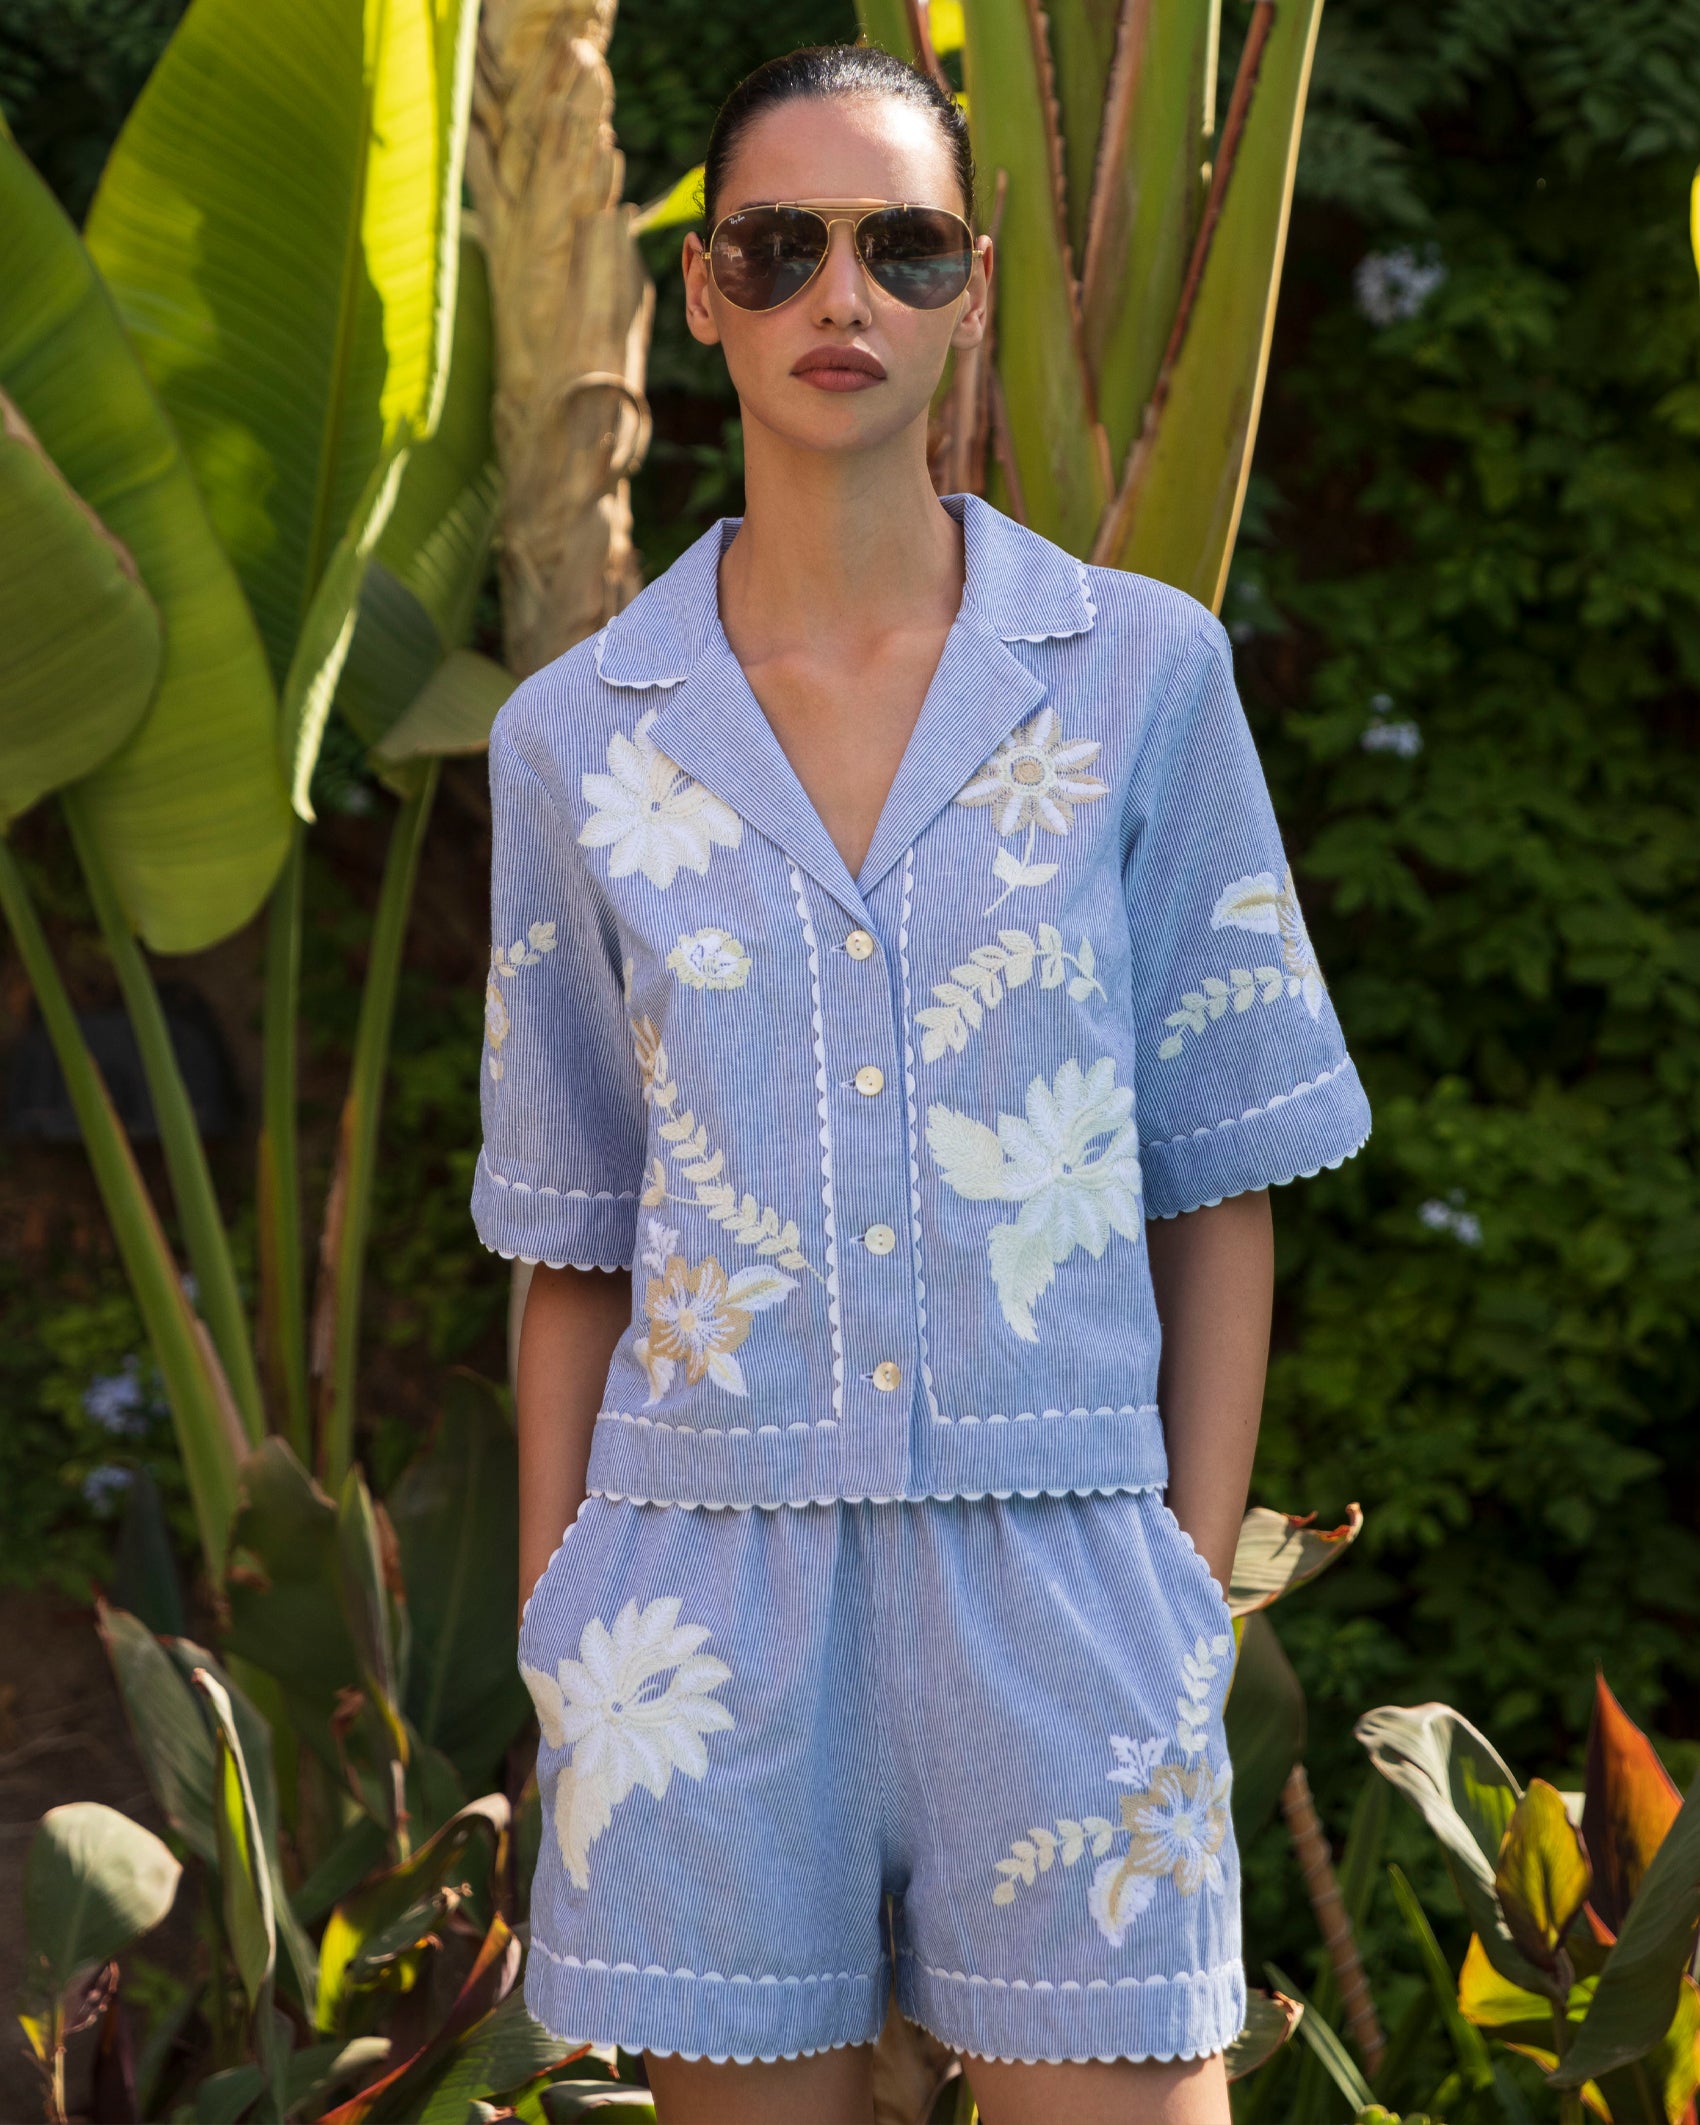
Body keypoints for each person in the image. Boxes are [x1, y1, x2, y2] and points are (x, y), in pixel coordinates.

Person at [471, 43, 1370, 2125]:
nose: (836, 299)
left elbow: (1213, 1176)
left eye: (900, 245)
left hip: (1062, 1576)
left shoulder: (1143, 678)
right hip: (704, 1608)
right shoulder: (576, 740)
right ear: (703, 295)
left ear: (968, 285)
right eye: (778, 251)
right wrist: (560, 1614)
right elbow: (571, 1239)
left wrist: (1180, 1574)